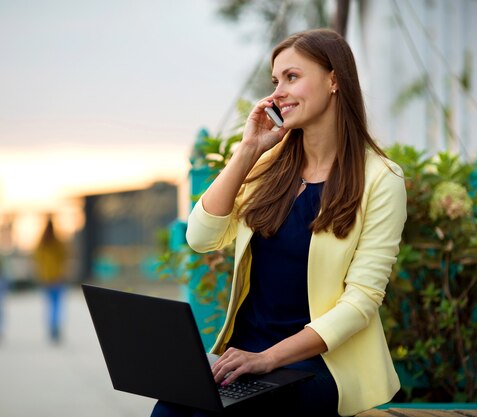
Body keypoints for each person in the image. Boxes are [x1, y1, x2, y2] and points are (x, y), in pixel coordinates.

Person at [151, 28, 407, 417]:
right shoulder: (269, 167)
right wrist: (248, 149)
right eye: (275, 81)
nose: (277, 93)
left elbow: (360, 303)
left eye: (292, 77)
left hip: (321, 365)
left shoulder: (381, 179)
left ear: (334, 79)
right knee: (171, 408)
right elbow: (201, 238)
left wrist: (268, 359)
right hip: (244, 355)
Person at [33, 216, 68, 343]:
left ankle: (51, 327)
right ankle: (55, 326)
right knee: (57, 305)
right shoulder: (58, 242)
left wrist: (41, 273)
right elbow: (64, 256)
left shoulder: (41, 243)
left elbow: (37, 259)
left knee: (49, 305)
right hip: (57, 277)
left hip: (46, 277)